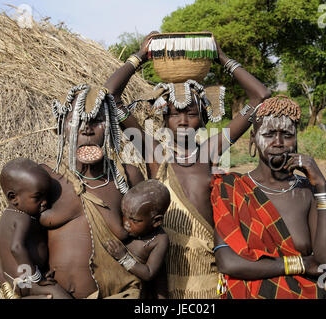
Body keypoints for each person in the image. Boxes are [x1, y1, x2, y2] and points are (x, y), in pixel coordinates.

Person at [104, 32, 271, 298]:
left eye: (191, 114)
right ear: (163, 120)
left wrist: (221, 57)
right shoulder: (154, 154)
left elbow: (260, 97)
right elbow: (110, 95)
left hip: (207, 277)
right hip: (162, 279)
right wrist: (140, 57)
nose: (182, 121)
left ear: (203, 118)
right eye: (173, 114)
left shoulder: (210, 152)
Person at [211, 95, 326, 299]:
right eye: (270, 133)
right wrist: (301, 264)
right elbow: (229, 263)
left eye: (287, 134)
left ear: (296, 139)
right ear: (253, 139)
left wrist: (322, 188)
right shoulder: (231, 189)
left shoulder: (307, 192)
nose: (279, 142)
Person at [38, 85, 145, 298]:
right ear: (62, 127)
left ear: (111, 127)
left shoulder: (128, 177)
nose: (86, 129)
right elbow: (16, 238)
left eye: (96, 121)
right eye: (76, 121)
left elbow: (152, 244)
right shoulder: (46, 177)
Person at [0, 157, 70, 299]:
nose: (44, 202)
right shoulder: (23, 219)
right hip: (26, 282)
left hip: (18, 281)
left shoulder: (8, 215)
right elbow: (16, 247)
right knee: (59, 295)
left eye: (46, 196)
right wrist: (37, 277)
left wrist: (4, 280)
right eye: (37, 197)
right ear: (14, 197)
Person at [104, 179, 170, 286]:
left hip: (132, 289)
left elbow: (149, 273)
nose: (126, 223)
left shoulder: (159, 239)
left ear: (156, 221)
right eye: (124, 215)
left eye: (134, 220)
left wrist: (124, 258)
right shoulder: (125, 228)